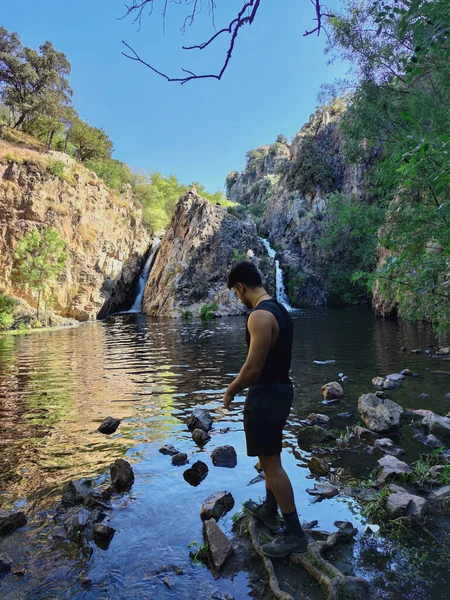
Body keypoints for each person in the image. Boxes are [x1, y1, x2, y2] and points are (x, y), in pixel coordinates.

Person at [222, 261, 308, 557]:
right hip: (282, 391)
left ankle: (295, 535)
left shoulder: (259, 316)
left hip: (266, 396)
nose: (238, 299)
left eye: (236, 293)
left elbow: (253, 368)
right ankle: (270, 512)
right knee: (271, 457)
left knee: (272, 466)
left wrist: (231, 390)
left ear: (241, 287)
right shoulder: (280, 310)